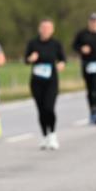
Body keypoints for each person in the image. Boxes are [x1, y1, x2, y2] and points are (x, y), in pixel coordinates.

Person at [25, 19, 66, 150]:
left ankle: (53, 135)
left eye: (48, 28)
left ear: (52, 30)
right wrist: (30, 59)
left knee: (49, 108)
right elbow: (26, 59)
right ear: (39, 29)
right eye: (43, 27)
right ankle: (44, 135)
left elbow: (63, 58)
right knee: (41, 109)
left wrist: (61, 64)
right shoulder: (33, 43)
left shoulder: (56, 44)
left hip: (51, 80)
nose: (45, 30)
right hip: (36, 81)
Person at [72, 12, 96, 125]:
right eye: (92, 21)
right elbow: (75, 46)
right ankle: (92, 109)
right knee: (90, 90)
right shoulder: (82, 34)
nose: (94, 23)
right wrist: (81, 49)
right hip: (87, 64)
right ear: (89, 22)